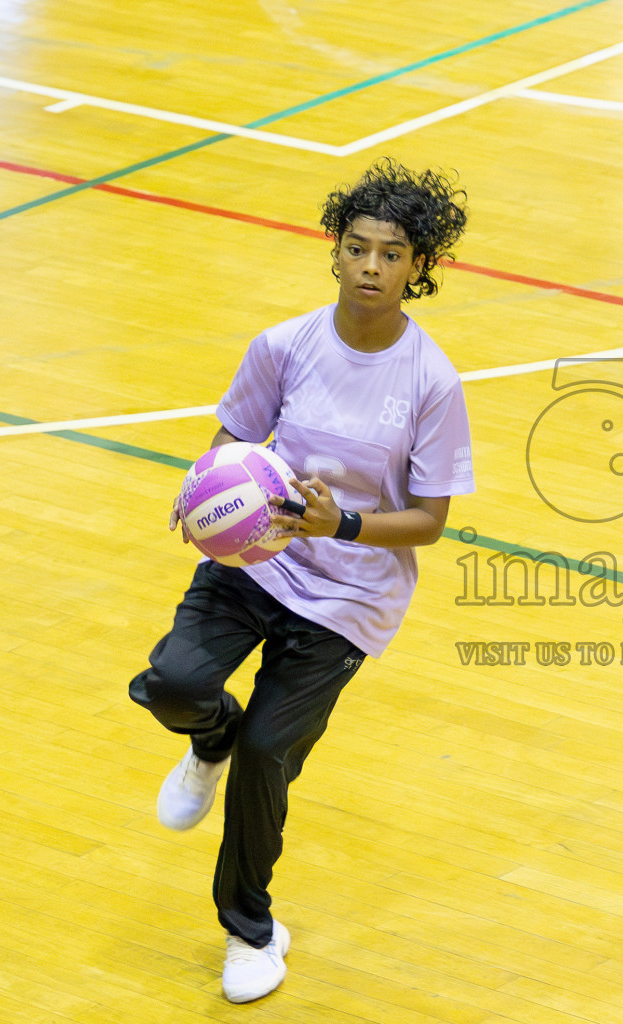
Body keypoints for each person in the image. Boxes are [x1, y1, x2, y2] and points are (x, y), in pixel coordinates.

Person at [129, 159, 474, 1001]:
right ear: (334, 253)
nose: (369, 266)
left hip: (349, 596)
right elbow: (231, 440)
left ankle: (250, 932)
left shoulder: (431, 381)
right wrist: (202, 487)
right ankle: (205, 737)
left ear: (419, 268)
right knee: (173, 683)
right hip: (259, 560)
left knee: (268, 756)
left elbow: (430, 519)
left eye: (391, 254)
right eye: (356, 248)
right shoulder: (284, 345)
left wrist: (341, 524)